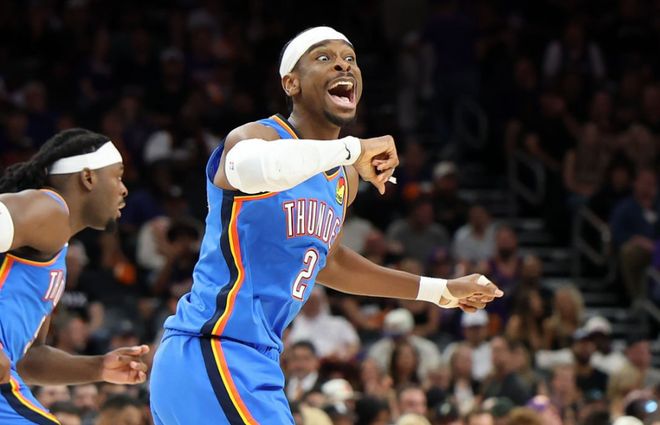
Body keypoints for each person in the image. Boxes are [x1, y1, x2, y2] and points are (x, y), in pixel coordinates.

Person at [149, 26, 503, 425]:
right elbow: (249, 168)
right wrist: (352, 149)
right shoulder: (258, 137)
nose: (342, 65)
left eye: (350, 59)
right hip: (212, 349)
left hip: (255, 361)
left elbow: (330, 263)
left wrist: (440, 291)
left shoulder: (342, 179)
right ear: (291, 83)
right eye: (324, 57)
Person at [0, 128, 150, 424]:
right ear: (88, 178)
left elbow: (29, 359)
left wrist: (99, 367)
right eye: (118, 176)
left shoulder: (56, 250)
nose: (124, 190)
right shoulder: (49, 209)